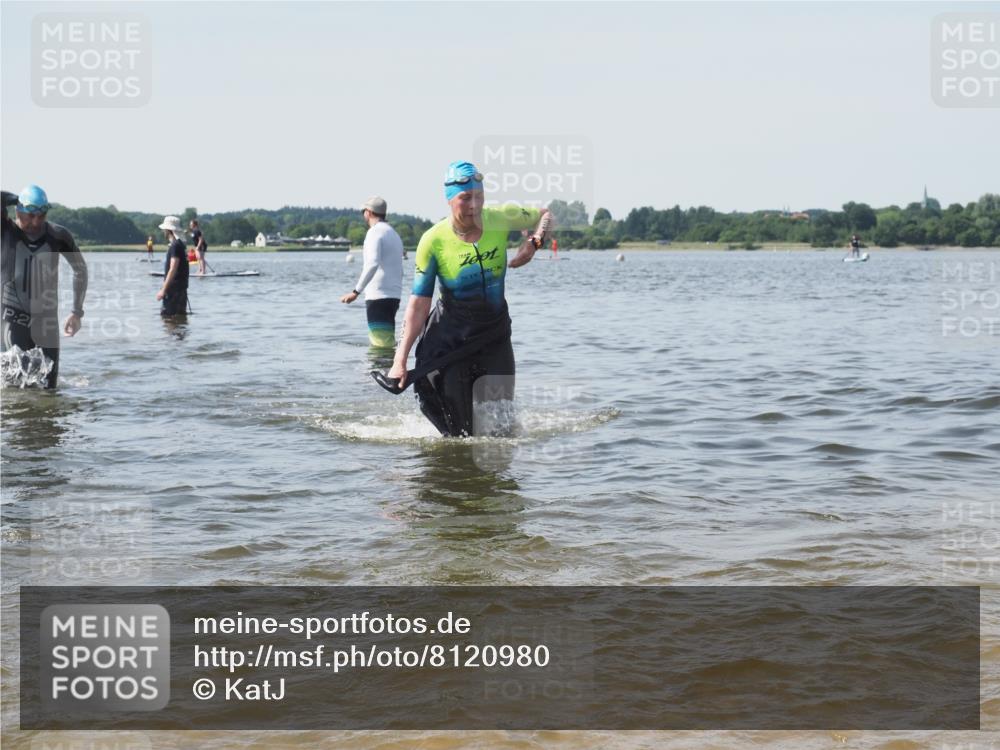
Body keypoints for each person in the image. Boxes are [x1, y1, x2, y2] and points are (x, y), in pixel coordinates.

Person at [382, 161, 552, 437]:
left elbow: (544, 214)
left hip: (494, 334)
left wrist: (535, 243)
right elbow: (419, 304)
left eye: (480, 196)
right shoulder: (433, 241)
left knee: (502, 427)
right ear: (449, 200)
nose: (475, 205)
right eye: (465, 198)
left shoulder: (500, 218)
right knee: (461, 434)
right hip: (452, 340)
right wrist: (400, 360)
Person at [1, 185, 88, 389]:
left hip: (46, 324)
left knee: (50, 389)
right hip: (12, 323)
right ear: (18, 211)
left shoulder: (58, 235)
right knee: (15, 390)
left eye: (42, 214)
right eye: (30, 215)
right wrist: (16, 197)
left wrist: (77, 312)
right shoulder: (5, 230)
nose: (36, 221)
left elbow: (80, 270)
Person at [340, 196, 405, 348]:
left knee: (380, 344)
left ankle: (381, 370)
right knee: (387, 340)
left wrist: (356, 291)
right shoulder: (394, 234)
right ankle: (390, 368)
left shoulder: (374, 232)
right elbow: (399, 269)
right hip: (394, 295)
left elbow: (372, 264)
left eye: (364, 211)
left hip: (378, 296)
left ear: (368, 212)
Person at [155, 216, 190, 317]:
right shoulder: (181, 245)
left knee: (168, 320)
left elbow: (173, 268)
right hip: (182, 288)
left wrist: (163, 290)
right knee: (180, 319)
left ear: (168, 230)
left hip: (173, 290)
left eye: (164, 230)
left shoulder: (175, 246)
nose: (163, 232)